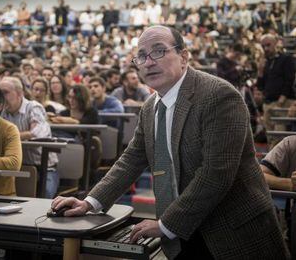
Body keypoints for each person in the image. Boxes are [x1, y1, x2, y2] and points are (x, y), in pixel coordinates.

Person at [51, 26, 288, 259]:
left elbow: (217, 173)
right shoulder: (150, 107)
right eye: (142, 56)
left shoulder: (219, 96)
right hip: (182, 237)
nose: (149, 61)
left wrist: (166, 225)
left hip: (233, 234)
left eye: (159, 51)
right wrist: (90, 202)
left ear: (184, 56)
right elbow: (131, 160)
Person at [0, 77, 59, 198]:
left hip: (45, 169)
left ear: (19, 93)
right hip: (16, 169)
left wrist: (11, 136)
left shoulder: (33, 107)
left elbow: (38, 133)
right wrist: (25, 134)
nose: (1, 97)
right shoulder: (2, 112)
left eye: (5, 92)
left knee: (44, 200)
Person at [257, 34, 295, 144]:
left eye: (268, 45)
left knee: (279, 137)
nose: (266, 49)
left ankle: (278, 161)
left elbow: (290, 79)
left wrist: (282, 99)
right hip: (268, 103)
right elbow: (260, 86)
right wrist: (260, 72)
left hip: (283, 102)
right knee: (270, 138)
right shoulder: (265, 62)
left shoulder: (286, 59)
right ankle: (270, 161)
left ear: (275, 43)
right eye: (263, 46)